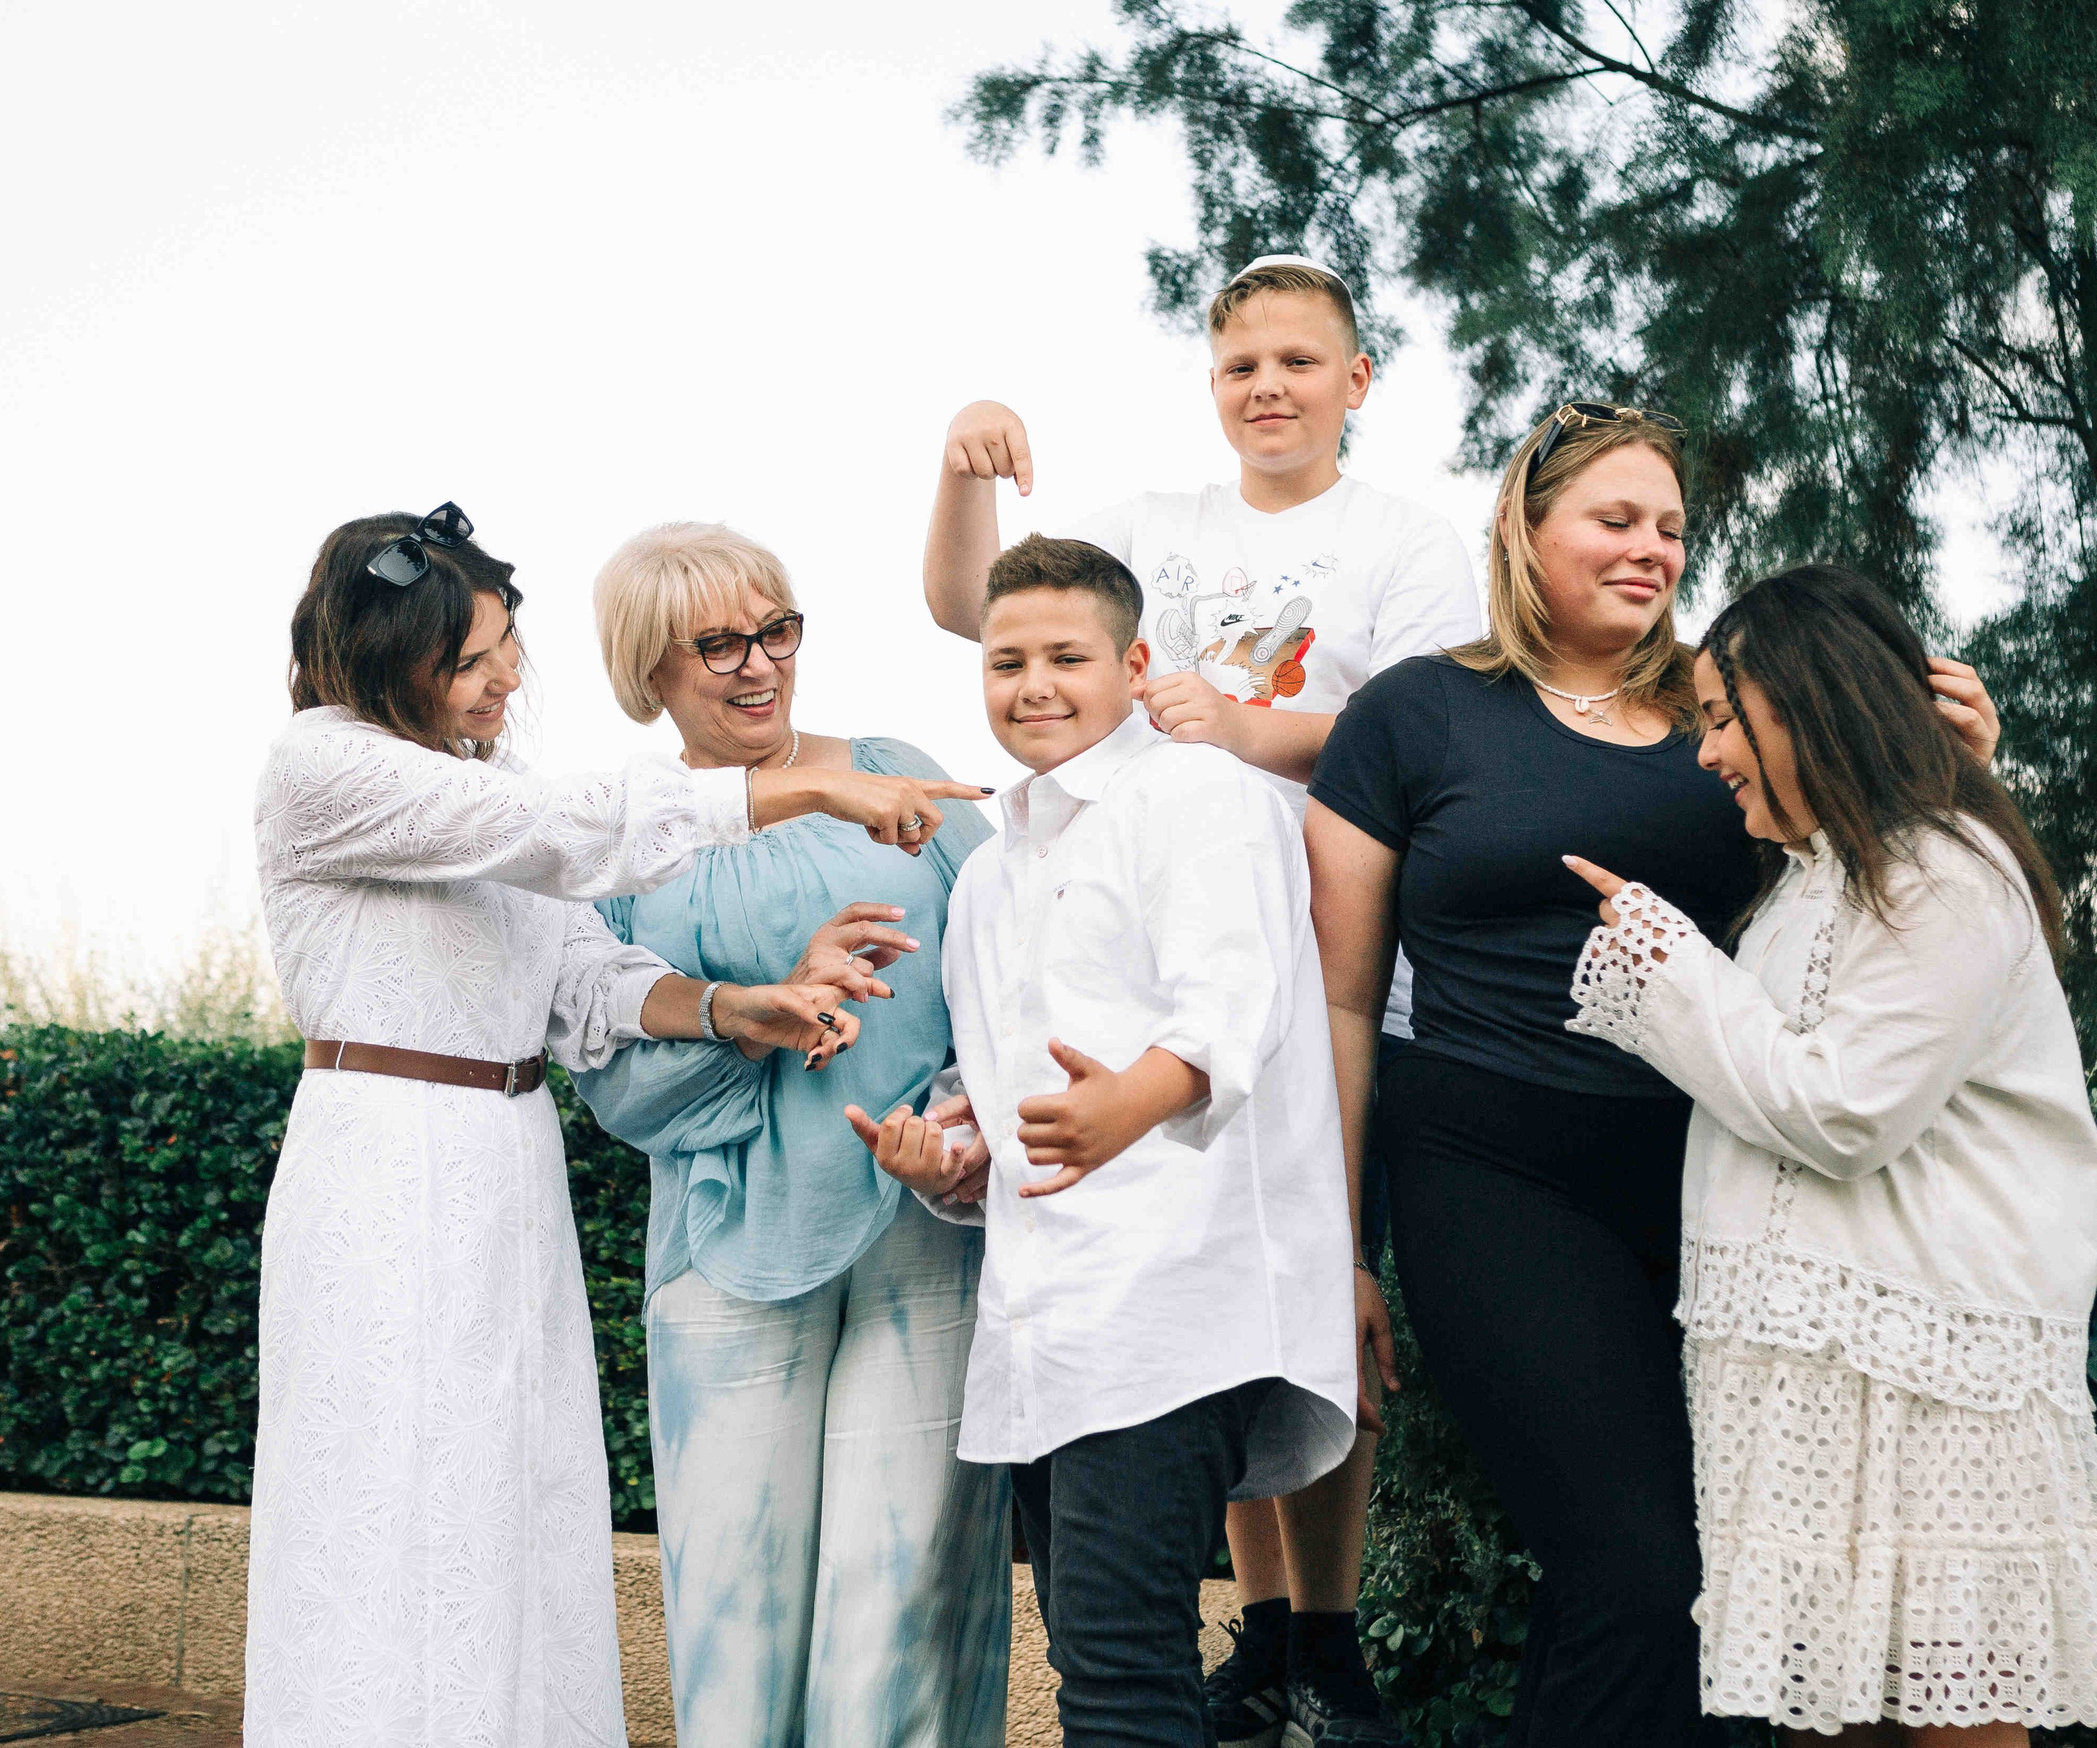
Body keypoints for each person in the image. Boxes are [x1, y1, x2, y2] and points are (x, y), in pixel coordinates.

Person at [1302, 409, 2005, 1746]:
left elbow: (1879, 888)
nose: (1652, 550)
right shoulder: (1413, 713)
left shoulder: (1735, 706)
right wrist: (1336, 1248)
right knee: (1638, 1568)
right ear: (1524, 528)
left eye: (1672, 528)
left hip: (1723, 1172)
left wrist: (1950, 770)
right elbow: (1340, 1001)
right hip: (1490, 1172)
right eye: (1615, 519)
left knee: (1709, 1584)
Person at [246, 504, 981, 1748]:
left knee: (516, 1493)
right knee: (388, 1482)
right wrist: (802, 782)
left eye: (507, 646)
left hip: (506, 1154)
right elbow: (562, 832)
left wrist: (741, 1005)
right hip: (384, 1161)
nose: (506, 678)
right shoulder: (322, 765)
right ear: (382, 662)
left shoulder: (487, 784)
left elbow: (584, 980)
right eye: (470, 661)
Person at [923, 255, 1481, 1748]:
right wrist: (963, 472)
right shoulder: (1150, 542)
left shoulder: (1400, 543)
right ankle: (1271, 1625)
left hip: (1332, 963)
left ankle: (1328, 1634)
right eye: (1241, 366)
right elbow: (997, 605)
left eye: (1299, 361)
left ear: (1357, 380)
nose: (1268, 388)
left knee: (1299, 1282)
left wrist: (1242, 729)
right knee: (1120, 1621)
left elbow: (1427, 735)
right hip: (1133, 995)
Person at [1559, 563, 2097, 1744]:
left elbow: (1843, 1110)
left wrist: (1664, 965)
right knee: (1825, 1719)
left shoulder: (1948, 871)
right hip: (1809, 1370)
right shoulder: (1806, 884)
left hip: (1936, 1383)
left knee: (1957, 1716)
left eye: (1721, 717)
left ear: (1806, 703)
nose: (1706, 752)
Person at [852, 534, 1358, 1748]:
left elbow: (1233, 1005)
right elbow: (1004, 1102)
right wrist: (950, 1160)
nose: (1033, 684)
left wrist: (1132, 1100)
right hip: (1045, 1326)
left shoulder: (1203, 796)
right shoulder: (988, 876)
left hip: (1174, 1304)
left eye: (1065, 656)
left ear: (1133, 666)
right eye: (1006, 661)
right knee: (1095, 1661)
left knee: (1125, 1677)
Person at [567, 523, 1010, 1748]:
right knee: (735, 1607)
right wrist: (763, 1017)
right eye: (717, 643)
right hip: (725, 1251)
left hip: (925, 1231)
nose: (759, 663)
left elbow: (1016, 966)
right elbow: (613, 1079)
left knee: (900, 1592)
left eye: (775, 629)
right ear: (648, 667)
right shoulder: (623, 838)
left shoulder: (895, 773)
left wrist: (966, 1117)